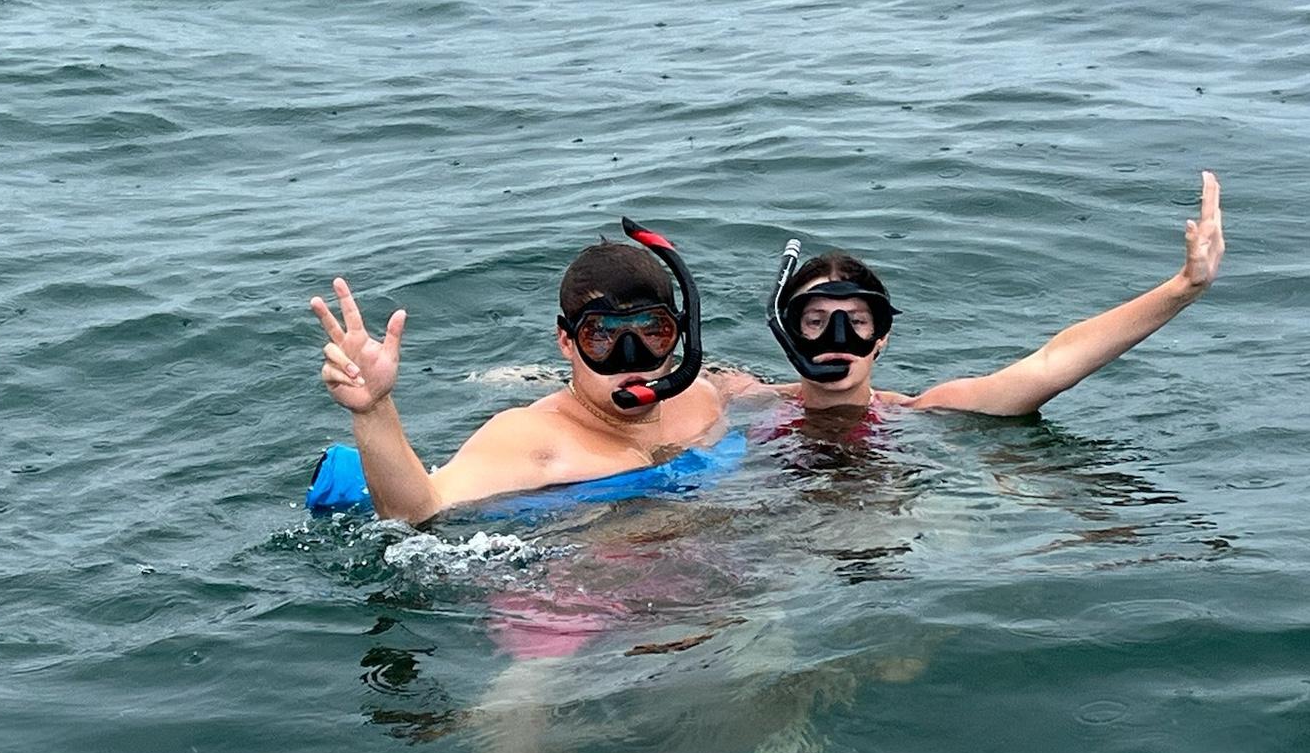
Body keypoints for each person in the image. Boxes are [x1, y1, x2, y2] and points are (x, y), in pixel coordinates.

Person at [309, 219, 733, 524]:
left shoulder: (702, 398)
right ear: (566, 341)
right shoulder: (532, 438)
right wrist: (373, 409)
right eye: (601, 337)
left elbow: (762, 397)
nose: (630, 357)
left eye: (652, 332)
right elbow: (419, 511)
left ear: (680, 334)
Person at [761, 171, 1225, 416]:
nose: (837, 338)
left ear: (882, 338)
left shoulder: (921, 414)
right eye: (816, 321)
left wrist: (1183, 288)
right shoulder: (746, 399)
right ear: (787, 332)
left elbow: (1051, 365)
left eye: (858, 322)